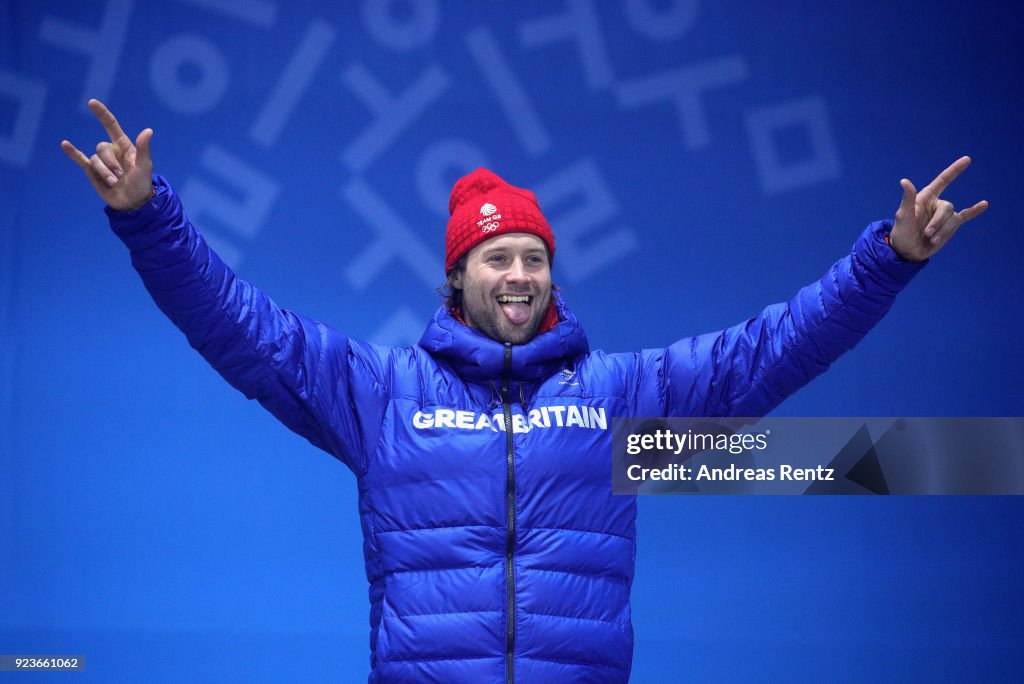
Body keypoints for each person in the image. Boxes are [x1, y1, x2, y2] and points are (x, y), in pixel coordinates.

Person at [61, 100, 987, 683]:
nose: (518, 275)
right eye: (496, 257)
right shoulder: (380, 394)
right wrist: (149, 219)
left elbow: (769, 353)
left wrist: (889, 261)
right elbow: (238, 326)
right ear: (457, 276)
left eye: (534, 258)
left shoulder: (623, 398)